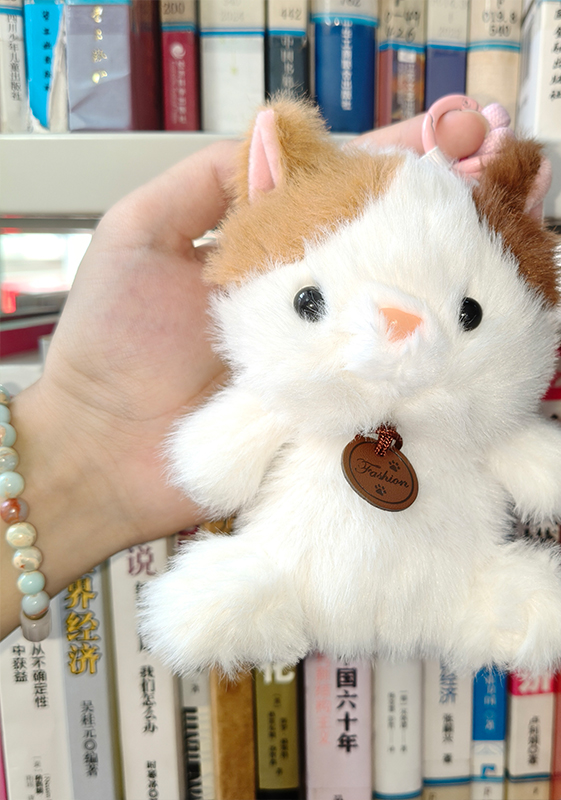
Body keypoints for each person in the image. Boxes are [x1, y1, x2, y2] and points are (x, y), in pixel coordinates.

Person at [0, 107, 493, 642]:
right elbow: (211, 465)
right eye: (309, 302)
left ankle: (489, 593)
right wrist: (85, 419)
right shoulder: (277, 395)